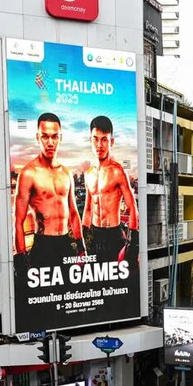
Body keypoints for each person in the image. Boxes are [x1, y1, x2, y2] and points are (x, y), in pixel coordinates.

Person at [13, 113, 85, 279]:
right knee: (41, 294)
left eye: (55, 137)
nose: (50, 142)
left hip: (65, 244)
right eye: (45, 136)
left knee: (71, 291)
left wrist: (81, 247)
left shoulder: (66, 173)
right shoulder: (28, 174)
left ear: (61, 138)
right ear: (37, 138)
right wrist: (21, 260)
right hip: (43, 246)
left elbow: (73, 213)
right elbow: (18, 221)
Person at [82, 116, 139, 265]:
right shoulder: (88, 174)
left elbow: (132, 207)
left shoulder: (118, 172)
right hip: (94, 236)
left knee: (118, 278)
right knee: (93, 277)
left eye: (104, 139)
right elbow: (88, 209)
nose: (99, 145)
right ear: (90, 140)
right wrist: (82, 239)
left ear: (111, 142)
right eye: (95, 139)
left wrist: (132, 244)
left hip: (113, 235)